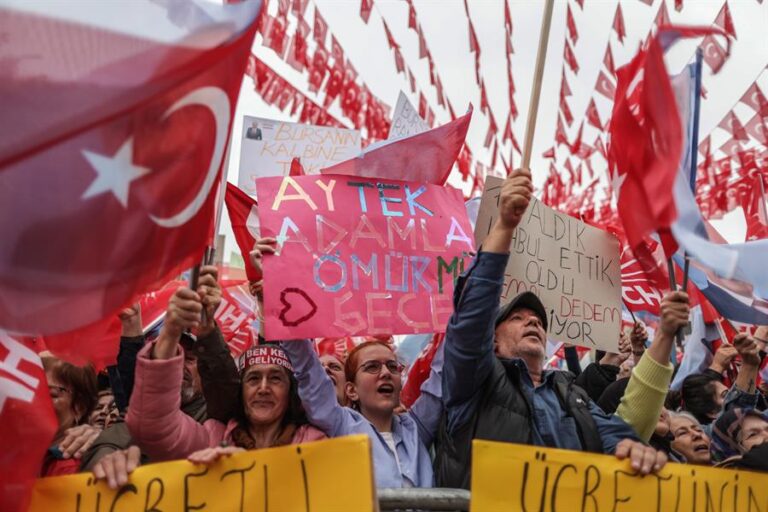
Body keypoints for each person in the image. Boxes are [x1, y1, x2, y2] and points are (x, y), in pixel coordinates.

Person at [434, 168, 667, 489]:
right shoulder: (474, 382)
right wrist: (504, 226)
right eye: (516, 318)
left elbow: (612, 433)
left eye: (539, 321)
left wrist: (632, 448)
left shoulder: (570, 393)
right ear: (493, 342)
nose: (532, 321)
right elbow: (473, 315)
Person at [250, 238, 444, 488]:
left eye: (392, 367)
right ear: (351, 389)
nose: (385, 372)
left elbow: (446, 368)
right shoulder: (339, 423)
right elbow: (307, 367)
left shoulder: (417, 428)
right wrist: (278, 286)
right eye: (372, 367)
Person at [125, 268, 325, 465]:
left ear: (290, 390)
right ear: (241, 391)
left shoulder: (316, 442)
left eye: (275, 378)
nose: (263, 388)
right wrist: (170, 332)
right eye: (253, 379)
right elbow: (154, 428)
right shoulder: (211, 436)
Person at [41, 356, 100, 476]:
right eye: (33, 390)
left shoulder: (71, 468)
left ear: (80, 407)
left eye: (51, 394)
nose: (35, 400)